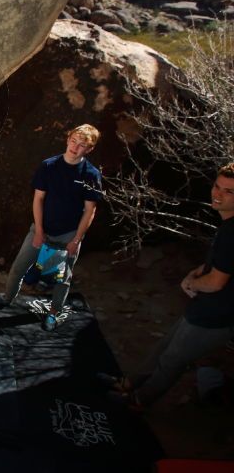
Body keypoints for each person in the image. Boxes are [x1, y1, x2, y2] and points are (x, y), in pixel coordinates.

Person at [105, 162, 234, 409]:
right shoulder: (227, 225)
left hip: (216, 315)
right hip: (206, 306)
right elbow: (221, 265)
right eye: (217, 186)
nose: (217, 194)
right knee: (164, 346)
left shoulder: (232, 233)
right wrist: (197, 273)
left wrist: (192, 283)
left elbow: (217, 282)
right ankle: (129, 383)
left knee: (173, 358)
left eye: (229, 191)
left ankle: (138, 401)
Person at [2, 124, 103, 331]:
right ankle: (6, 300)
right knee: (18, 268)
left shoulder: (90, 174)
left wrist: (76, 240)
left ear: (89, 149)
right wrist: (39, 230)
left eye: (82, 145)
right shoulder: (49, 166)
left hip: (69, 234)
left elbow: (90, 210)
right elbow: (38, 199)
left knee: (62, 279)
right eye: (74, 141)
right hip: (42, 228)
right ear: (68, 139)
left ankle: (54, 313)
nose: (75, 147)